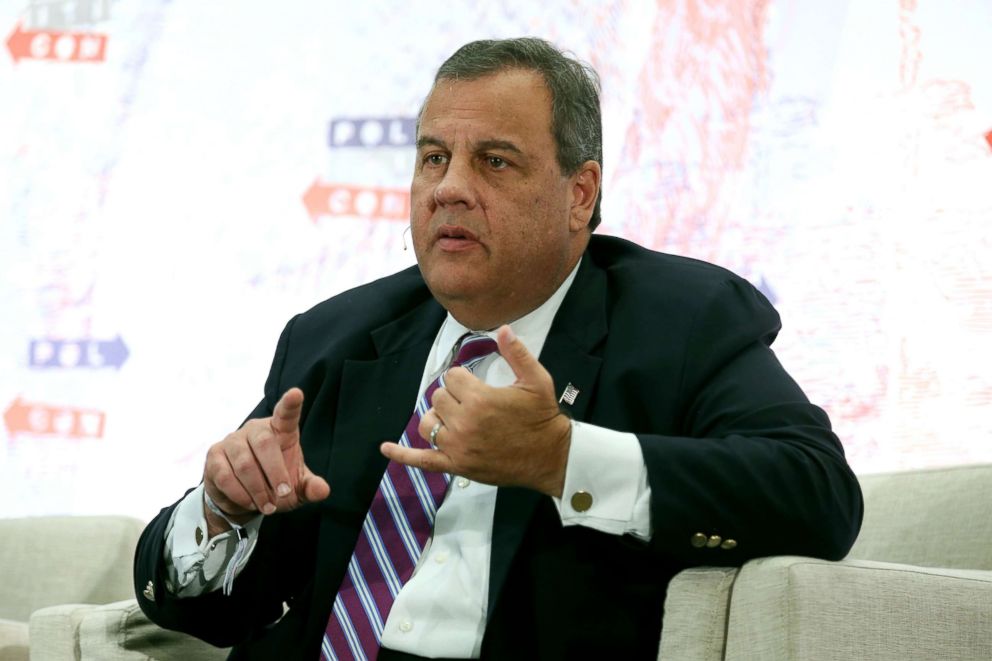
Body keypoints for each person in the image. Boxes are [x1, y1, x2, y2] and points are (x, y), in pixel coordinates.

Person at [134, 37, 863, 660]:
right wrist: (223, 509)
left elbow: (817, 494)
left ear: (580, 193)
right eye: (432, 158)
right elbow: (214, 612)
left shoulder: (681, 320)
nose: (449, 188)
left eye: (494, 161)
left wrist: (562, 458)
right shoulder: (335, 336)